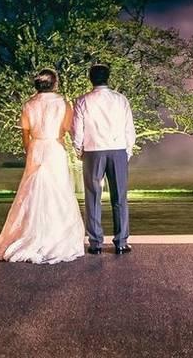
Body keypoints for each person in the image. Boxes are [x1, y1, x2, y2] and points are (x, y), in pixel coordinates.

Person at [0, 69, 85, 264]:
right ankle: (56, 237)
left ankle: (28, 234)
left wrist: (31, 151)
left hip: (36, 147)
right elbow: (68, 128)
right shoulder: (63, 103)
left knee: (30, 192)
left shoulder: (28, 104)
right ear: (54, 83)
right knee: (59, 191)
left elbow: (25, 134)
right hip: (54, 147)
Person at [72, 63, 137, 255]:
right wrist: (127, 152)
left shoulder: (82, 101)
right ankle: (121, 242)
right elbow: (129, 129)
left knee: (92, 197)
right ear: (108, 77)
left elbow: (77, 130)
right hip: (117, 150)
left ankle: (95, 243)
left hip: (93, 151)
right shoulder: (121, 99)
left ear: (90, 78)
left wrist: (79, 150)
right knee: (120, 197)